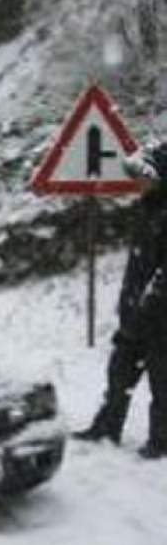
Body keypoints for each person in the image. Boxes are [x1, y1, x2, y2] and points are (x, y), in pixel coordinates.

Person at [74, 141, 167, 458]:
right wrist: (129, 306)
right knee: (119, 373)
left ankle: (161, 441)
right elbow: (138, 265)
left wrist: (148, 305)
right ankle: (107, 427)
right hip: (135, 313)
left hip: (160, 319)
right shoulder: (148, 207)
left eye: (146, 176)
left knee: (163, 383)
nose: (139, 183)